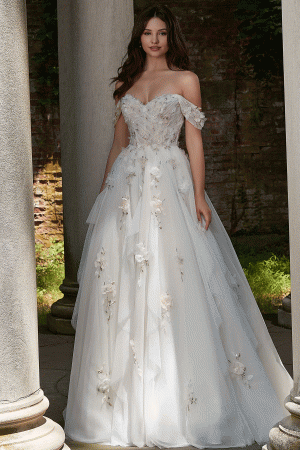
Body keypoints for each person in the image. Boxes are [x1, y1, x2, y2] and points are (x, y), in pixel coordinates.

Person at [63, 5, 293, 448]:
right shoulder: (124, 86)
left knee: (179, 282)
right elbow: (117, 146)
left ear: (171, 38)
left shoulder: (186, 81)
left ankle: (191, 401)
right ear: (139, 38)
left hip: (171, 182)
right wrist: (104, 196)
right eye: (147, 33)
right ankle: (124, 407)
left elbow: (194, 143)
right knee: (123, 288)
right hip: (126, 190)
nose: (154, 40)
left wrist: (200, 194)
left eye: (161, 33)